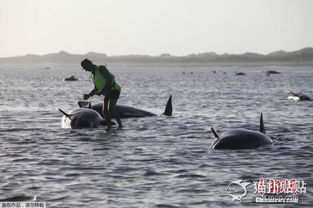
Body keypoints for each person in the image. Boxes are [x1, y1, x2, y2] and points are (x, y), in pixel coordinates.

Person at [81, 58, 122, 129]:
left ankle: (120, 126)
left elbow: (109, 79)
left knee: (111, 109)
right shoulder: (93, 75)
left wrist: (103, 90)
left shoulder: (101, 68)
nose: (85, 70)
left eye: (85, 68)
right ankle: (109, 127)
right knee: (104, 111)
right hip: (107, 92)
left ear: (89, 64)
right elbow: (96, 88)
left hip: (114, 90)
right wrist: (89, 95)